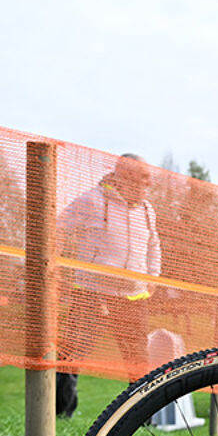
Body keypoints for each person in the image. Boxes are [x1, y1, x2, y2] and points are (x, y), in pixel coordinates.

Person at [56, 154, 161, 418]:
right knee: (72, 352)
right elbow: (58, 228)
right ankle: (60, 412)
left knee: (137, 358)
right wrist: (53, 266)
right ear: (125, 176)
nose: (148, 184)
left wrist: (153, 277)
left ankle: (141, 418)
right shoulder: (92, 200)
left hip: (134, 296)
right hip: (91, 291)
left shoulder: (147, 210)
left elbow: (153, 246)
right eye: (143, 178)